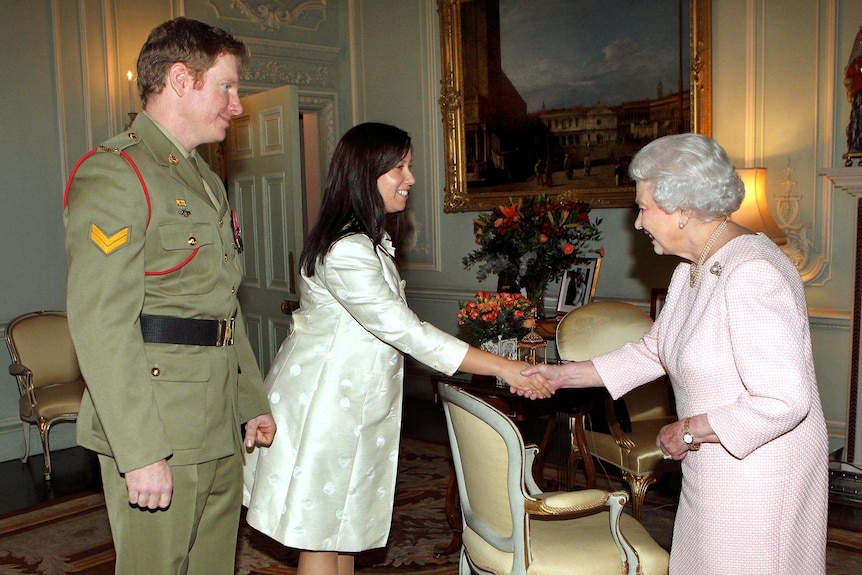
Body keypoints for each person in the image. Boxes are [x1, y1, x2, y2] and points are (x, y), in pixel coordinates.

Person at [242, 122, 553, 575]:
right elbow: (407, 332)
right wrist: (504, 368)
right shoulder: (347, 250)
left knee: (341, 527)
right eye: (398, 167)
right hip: (325, 407)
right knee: (319, 531)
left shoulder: (366, 242)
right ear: (364, 174)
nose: (409, 178)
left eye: (408, 166)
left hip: (351, 403)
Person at [522, 133, 828, 574]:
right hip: (716, 464)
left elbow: (784, 400)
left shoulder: (752, 272)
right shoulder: (692, 268)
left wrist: (688, 431)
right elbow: (654, 352)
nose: (638, 223)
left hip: (761, 476)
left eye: (644, 207)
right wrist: (560, 376)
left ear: (683, 209)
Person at [63, 17, 276, 575]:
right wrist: (139, 451)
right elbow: (101, 324)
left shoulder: (203, 178)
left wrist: (248, 398)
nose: (238, 104)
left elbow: (219, 305)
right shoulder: (117, 172)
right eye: (227, 86)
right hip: (158, 422)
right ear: (182, 80)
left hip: (215, 416)